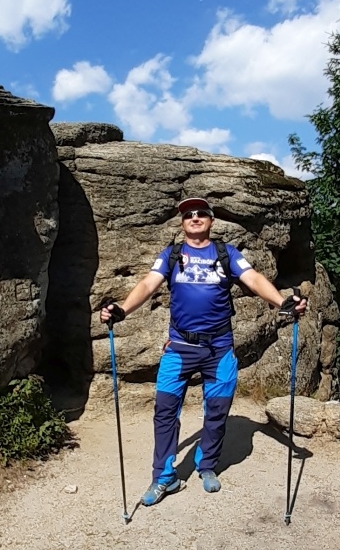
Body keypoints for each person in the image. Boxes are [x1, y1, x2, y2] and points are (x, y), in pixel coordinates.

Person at [100, 197, 307, 506]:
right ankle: (164, 477)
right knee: (165, 411)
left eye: (201, 214)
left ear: (211, 220)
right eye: (188, 214)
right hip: (179, 347)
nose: (194, 218)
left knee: (217, 411)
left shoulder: (227, 254)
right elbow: (148, 284)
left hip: (219, 348)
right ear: (182, 222)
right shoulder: (171, 255)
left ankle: (206, 465)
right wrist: (123, 309)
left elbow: (253, 279)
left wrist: (282, 302)